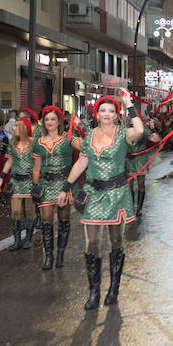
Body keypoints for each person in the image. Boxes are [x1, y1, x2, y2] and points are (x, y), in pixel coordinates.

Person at [58, 91, 143, 310]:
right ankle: (94, 291)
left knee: (116, 241)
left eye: (111, 111)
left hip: (117, 194)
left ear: (117, 114)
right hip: (93, 194)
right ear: (97, 113)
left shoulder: (124, 133)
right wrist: (66, 187)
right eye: (103, 110)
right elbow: (81, 163)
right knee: (92, 243)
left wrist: (129, 104)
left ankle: (113, 287)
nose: (107, 114)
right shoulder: (89, 135)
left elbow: (140, 130)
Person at [32, 105, 82, 270]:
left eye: (53, 119)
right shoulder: (38, 142)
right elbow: (37, 168)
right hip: (45, 185)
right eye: (46, 119)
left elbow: (85, 146)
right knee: (46, 220)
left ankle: (60, 253)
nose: (49, 122)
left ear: (59, 121)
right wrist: (35, 186)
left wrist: (80, 129)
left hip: (63, 184)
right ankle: (49, 256)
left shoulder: (68, 138)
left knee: (63, 219)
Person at [0, 119, 36, 251]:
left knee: (30, 211)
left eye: (16, 126)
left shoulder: (33, 143)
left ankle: (29, 238)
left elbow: (38, 164)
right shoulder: (13, 143)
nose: (13, 128)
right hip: (16, 182)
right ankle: (17, 240)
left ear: (24, 128)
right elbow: (9, 162)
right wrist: (1, 179)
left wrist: (37, 182)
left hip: (29, 181)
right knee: (15, 211)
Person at [126, 114, 161, 217]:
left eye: (134, 118)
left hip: (141, 159)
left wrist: (153, 128)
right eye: (131, 119)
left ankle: (139, 209)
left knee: (141, 183)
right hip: (128, 160)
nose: (132, 120)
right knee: (129, 185)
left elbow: (156, 139)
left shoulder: (145, 131)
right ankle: (131, 208)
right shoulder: (124, 130)